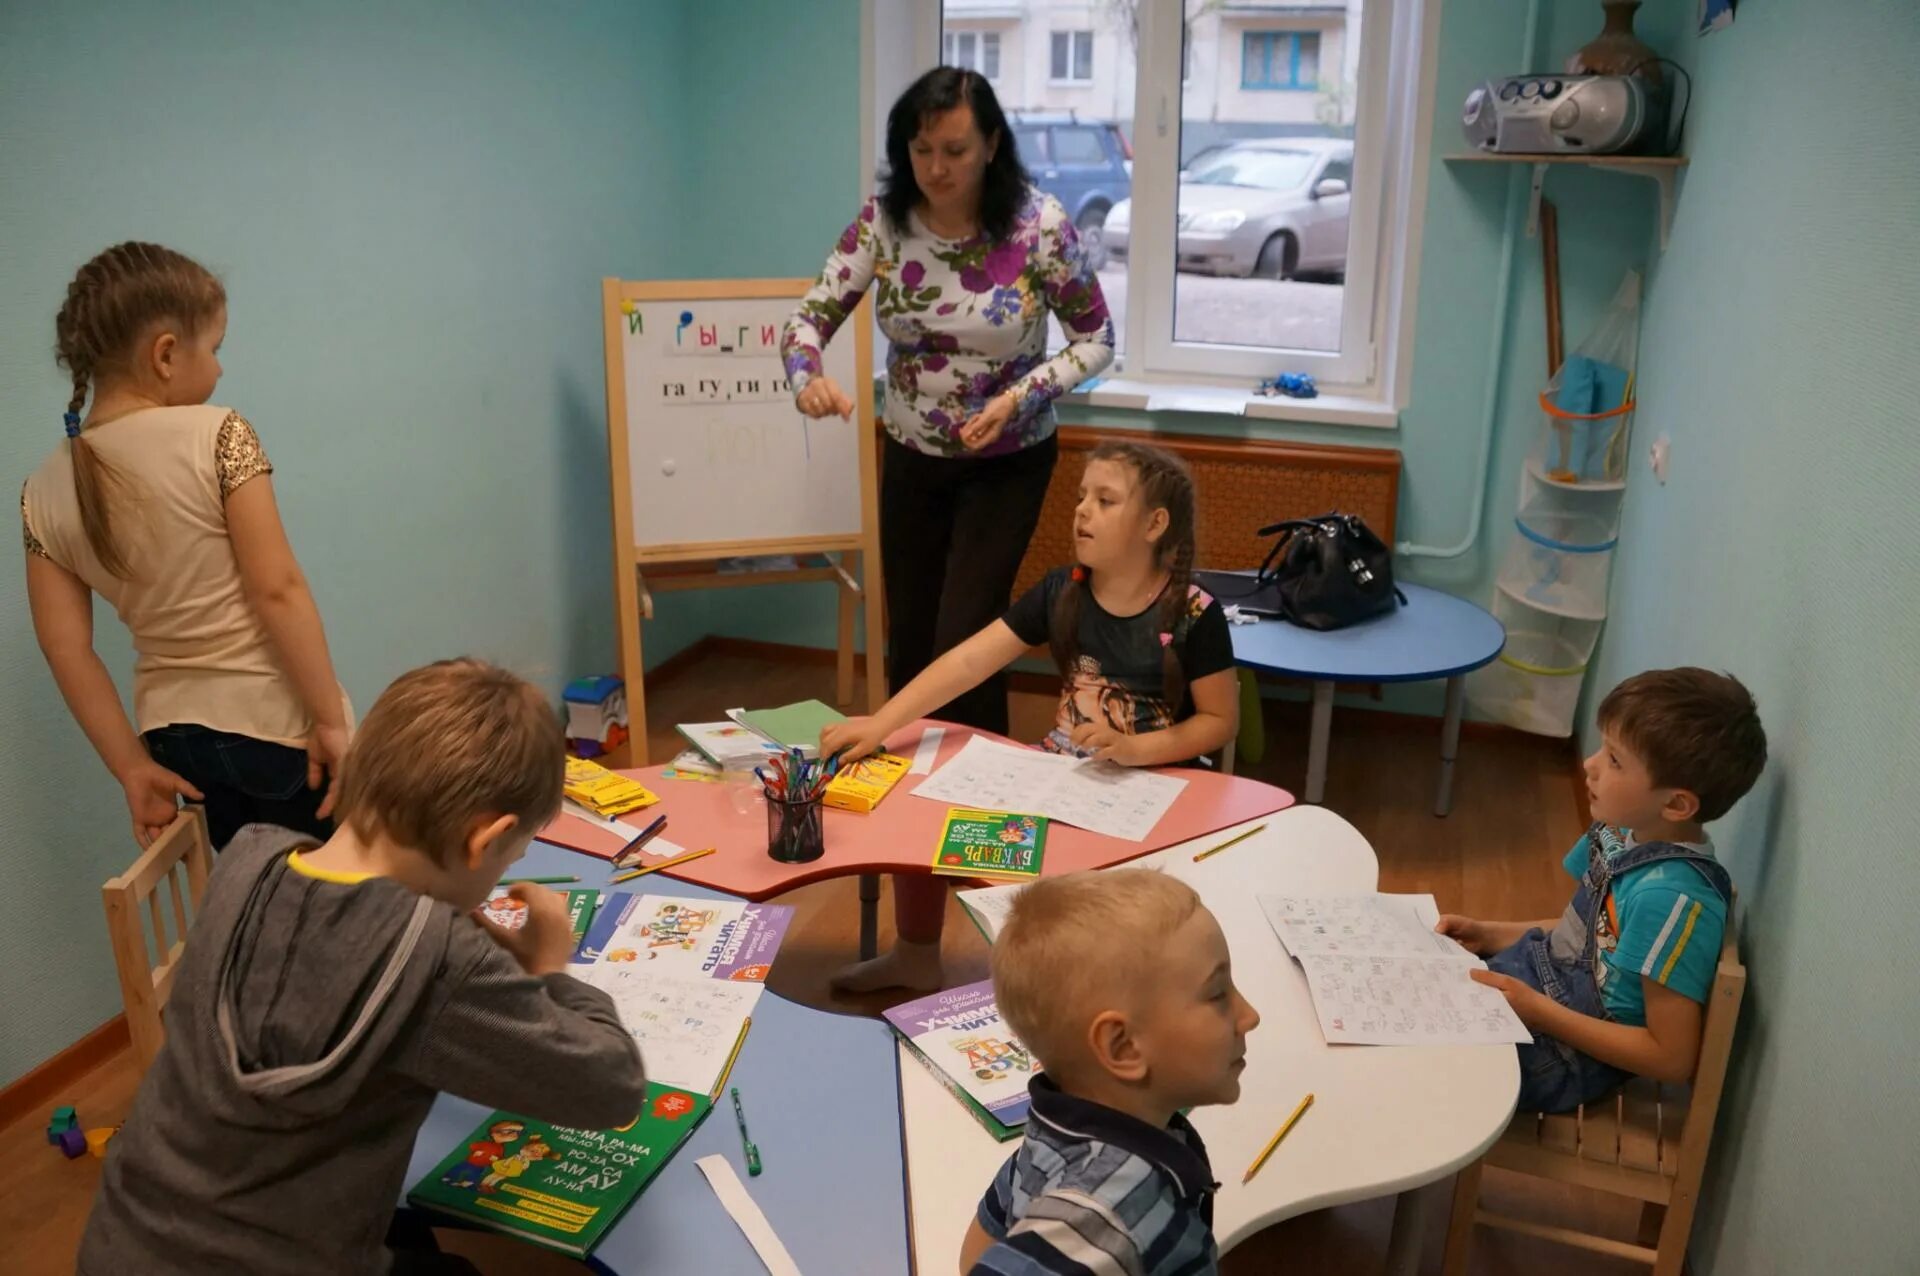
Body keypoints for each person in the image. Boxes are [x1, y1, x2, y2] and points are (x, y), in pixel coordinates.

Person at [77, 659, 648, 1276]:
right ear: (487, 839)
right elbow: (612, 1088)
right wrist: (547, 969)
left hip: (123, 1243)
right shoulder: (440, 960)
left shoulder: (250, 856)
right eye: (510, 856)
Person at [822, 442, 1238, 992]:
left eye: (1106, 500)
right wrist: (883, 722)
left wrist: (1139, 749)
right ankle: (916, 954)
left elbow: (1218, 721)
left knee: (1105, 907)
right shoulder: (1061, 591)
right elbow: (970, 660)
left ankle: (1094, 991)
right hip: (1065, 774)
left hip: (1159, 785)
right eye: (1082, 496)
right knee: (929, 819)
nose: (1082, 510)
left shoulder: (1193, 612)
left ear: (1154, 523)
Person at [784, 65, 1113, 736]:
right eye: (921, 149)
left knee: (967, 630)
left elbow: (1097, 339)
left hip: (1009, 458)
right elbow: (804, 322)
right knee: (910, 632)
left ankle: (974, 786)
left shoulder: (1040, 227)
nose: (936, 168)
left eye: (955, 150)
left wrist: (1021, 395)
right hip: (911, 455)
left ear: (992, 145)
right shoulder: (883, 224)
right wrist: (806, 378)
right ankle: (904, 783)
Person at [22, 242, 351, 850]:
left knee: (246, 913)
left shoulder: (41, 488)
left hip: (174, 744)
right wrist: (330, 718)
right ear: (167, 354)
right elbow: (276, 589)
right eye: (216, 348)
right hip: (273, 731)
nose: (221, 369)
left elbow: (65, 649)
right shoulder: (219, 434)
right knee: (332, 909)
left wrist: (130, 767)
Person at [1441, 668, 1767, 1113]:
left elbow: (1671, 1058)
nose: (1589, 766)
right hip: (1533, 987)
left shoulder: (1671, 901)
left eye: (1614, 760)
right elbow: (1590, 937)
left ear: (1675, 804)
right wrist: (1489, 932)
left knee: (1417, 1064)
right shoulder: (1621, 832)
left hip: (1561, 1053)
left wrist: (1537, 1011)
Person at [960, 870, 1259, 1274]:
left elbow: (984, 1237)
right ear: (1122, 1047)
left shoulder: (1058, 1127)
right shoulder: (1107, 1215)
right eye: (1218, 994)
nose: (1249, 1016)